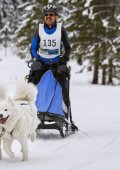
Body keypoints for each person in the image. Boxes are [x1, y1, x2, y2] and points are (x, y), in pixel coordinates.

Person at [28, 3, 78, 131]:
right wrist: (36, 59)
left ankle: (69, 120)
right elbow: (33, 47)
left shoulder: (61, 29)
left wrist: (63, 61)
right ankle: (29, 115)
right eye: (46, 15)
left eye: (51, 15)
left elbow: (67, 48)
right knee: (30, 86)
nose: (48, 17)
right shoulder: (39, 29)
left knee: (64, 88)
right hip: (42, 63)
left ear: (56, 16)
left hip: (56, 62)